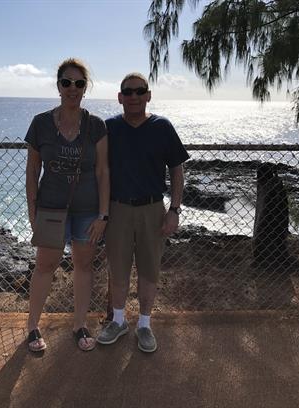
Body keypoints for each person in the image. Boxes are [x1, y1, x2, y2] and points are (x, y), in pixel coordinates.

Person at [97, 72, 189, 353]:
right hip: (117, 209)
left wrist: (174, 210)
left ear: (148, 95)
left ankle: (145, 325)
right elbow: (99, 170)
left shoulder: (162, 127)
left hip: (152, 209)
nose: (134, 96)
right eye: (128, 92)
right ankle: (119, 321)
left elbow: (177, 170)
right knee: (118, 270)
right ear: (120, 97)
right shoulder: (109, 128)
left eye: (140, 91)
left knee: (149, 270)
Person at [25, 58, 109, 352]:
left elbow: (103, 171)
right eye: (67, 82)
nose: (73, 88)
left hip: (87, 211)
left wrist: (103, 214)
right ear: (58, 86)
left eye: (79, 83)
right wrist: (32, 211)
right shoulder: (41, 124)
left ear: (86, 88)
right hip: (50, 208)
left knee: (83, 266)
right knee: (45, 266)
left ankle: (80, 324)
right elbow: (32, 170)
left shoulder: (96, 125)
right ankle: (32, 326)